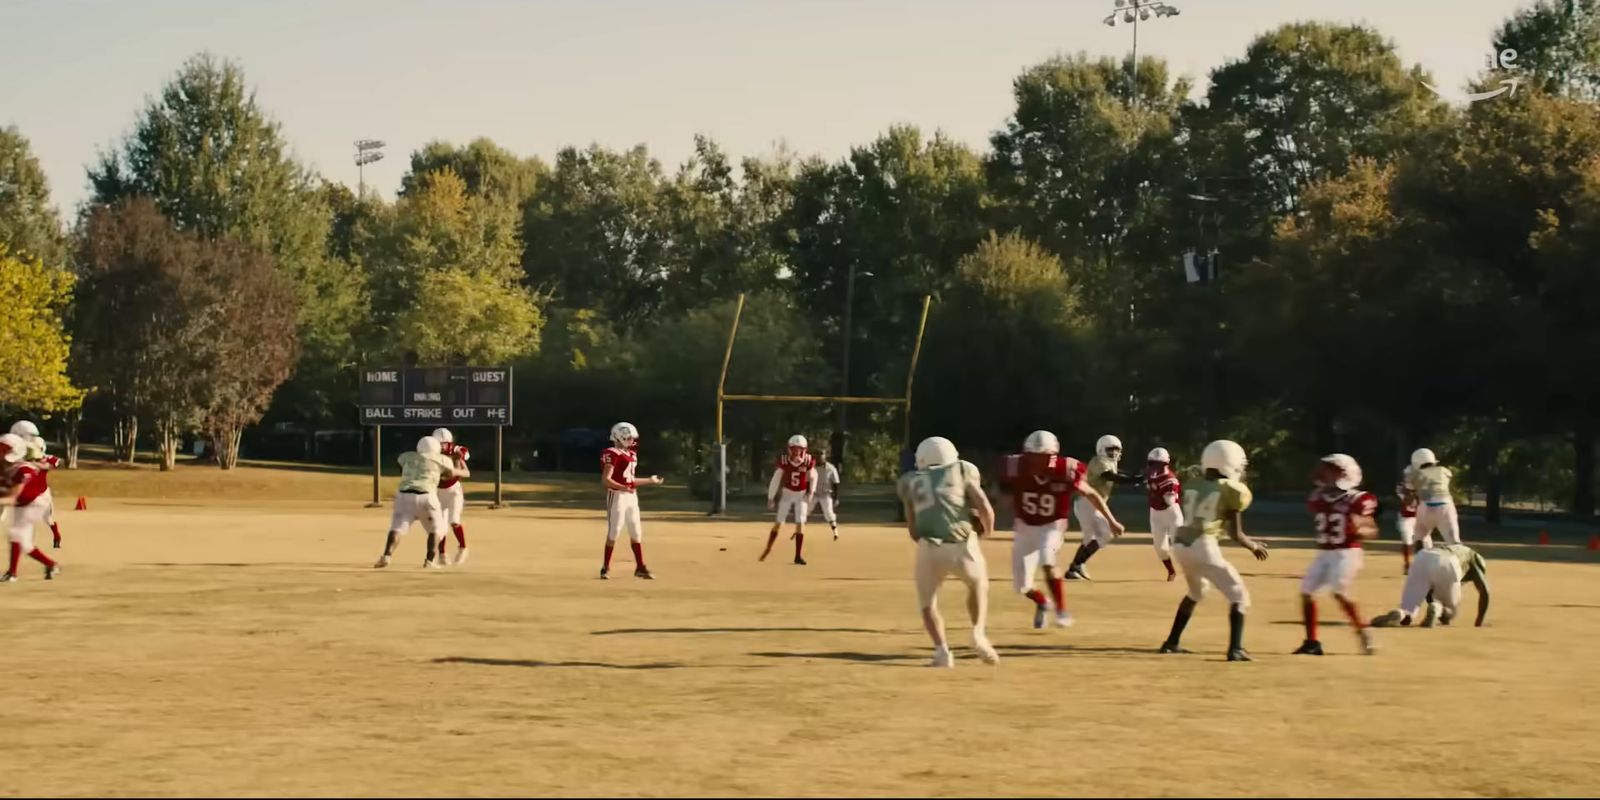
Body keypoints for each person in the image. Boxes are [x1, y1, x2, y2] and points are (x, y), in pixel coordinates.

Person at [1158, 439, 1269, 662]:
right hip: (1203, 545)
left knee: (1196, 591)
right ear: (1232, 463)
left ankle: (1171, 642)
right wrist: (1253, 546)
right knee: (1238, 595)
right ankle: (1235, 649)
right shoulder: (1231, 490)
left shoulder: (1192, 484)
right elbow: (1236, 533)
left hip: (1179, 544)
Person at [1000, 430, 1123, 629]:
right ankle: (1042, 602)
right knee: (1022, 587)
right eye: (1034, 457)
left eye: (1044, 457)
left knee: (1048, 562)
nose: (1039, 461)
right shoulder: (1016, 466)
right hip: (1024, 527)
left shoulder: (1065, 469)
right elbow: (1002, 490)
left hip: (1051, 525)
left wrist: (1111, 521)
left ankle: (1061, 611)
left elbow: (1092, 494)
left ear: (1053, 456)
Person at [898, 436, 999, 668]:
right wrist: (986, 531)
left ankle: (942, 652)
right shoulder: (962, 470)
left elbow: (912, 526)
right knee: (978, 585)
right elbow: (984, 506)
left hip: (929, 546)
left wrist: (925, 540)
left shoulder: (909, 481)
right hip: (963, 543)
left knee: (927, 604)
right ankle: (978, 633)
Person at [1294, 454, 1378, 656]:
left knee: (1339, 592)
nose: (1324, 473)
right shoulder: (1318, 496)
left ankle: (1363, 631)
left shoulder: (1358, 499)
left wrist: (1361, 529)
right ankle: (1312, 642)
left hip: (1347, 552)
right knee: (1307, 592)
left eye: (1329, 469)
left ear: (1344, 473)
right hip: (1324, 553)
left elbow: (1372, 530)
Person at [373, 435, 462, 570]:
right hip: (427, 496)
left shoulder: (407, 456)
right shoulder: (442, 459)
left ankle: (386, 556)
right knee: (436, 530)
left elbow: (400, 466)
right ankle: (429, 561)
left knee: (397, 528)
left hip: (404, 495)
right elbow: (449, 476)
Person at [1065, 434, 1142, 580]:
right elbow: (1110, 476)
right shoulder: (1098, 461)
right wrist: (1134, 479)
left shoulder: (1107, 462)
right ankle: (1076, 565)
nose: (1114, 453)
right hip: (1088, 503)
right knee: (1106, 533)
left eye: (1116, 450)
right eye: (1110, 450)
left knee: (1090, 540)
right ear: (1101, 449)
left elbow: (1116, 474)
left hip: (1088, 504)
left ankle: (1075, 568)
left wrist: (1134, 478)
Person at [1371, 543, 1491, 628]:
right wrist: (1479, 622)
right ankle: (1437, 608)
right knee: (1449, 613)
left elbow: (1429, 587)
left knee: (1408, 610)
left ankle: (1400, 614)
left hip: (1423, 557)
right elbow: (1484, 591)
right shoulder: (1475, 559)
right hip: (1448, 562)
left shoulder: (1458, 549)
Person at [600, 422, 664, 580]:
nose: (631, 440)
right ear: (619, 436)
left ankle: (640, 567)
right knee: (614, 532)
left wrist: (650, 481)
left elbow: (630, 480)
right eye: (628, 437)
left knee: (636, 532)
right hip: (617, 496)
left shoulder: (631, 454)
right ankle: (605, 567)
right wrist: (622, 488)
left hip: (631, 496)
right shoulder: (612, 453)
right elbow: (606, 480)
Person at [0, 433, 56, 582]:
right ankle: (51, 565)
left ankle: (12, 573)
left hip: (35, 503)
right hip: (22, 504)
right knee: (25, 543)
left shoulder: (24, 469)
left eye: (4, 449)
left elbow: (13, 497)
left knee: (15, 533)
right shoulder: (6, 467)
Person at [763, 435, 817, 565]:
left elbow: (813, 477)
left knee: (800, 524)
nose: (796, 452)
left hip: (801, 494)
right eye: (794, 449)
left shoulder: (808, 461)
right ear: (789, 450)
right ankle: (768, 548)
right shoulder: (785, 461)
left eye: (799, 449)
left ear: (804, 450)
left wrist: (811, 492)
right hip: (787, 493)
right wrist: (771, 497)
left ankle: (798, 556)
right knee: (779, 522)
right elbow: (776, 479)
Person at [431, 428, 471, 566]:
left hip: (453, 490)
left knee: (454, 520)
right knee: (440, 526)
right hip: (437, 490)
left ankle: (462, 547)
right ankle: (442, 554)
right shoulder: (429, 451)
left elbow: (465, 453)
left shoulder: (453, 449)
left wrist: (458, 455)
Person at [1407, 448, 1461, 546]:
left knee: (1420, 537)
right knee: (1454, 541)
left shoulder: (1414, 475)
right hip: (1445, 505)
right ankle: (1458, 558)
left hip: (1425, 506)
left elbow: (1410, 493)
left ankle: (1422, 556)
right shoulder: (1444, 471)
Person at [1146, 448, 1183, 581]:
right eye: (1152, 463)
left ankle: (1196, 569)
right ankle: (1171, 571)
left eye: (1158, 464)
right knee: (1160, 548)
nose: (1154, 467)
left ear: (1165, 464)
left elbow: (1170, 502)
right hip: (1155, 512)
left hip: (1171, 512)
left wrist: (1162, 494)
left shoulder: (1170, 479)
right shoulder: (1150, 474)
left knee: (1178, 545)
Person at [810, 450, 842, 540]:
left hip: (825, 493)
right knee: (805, 511)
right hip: (814, 493)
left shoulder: (831, 468)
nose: (819, 458)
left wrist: (836, 498)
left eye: (821, 455)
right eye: (817, 456)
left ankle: (835, 532)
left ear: (825, 456)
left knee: (829, 513)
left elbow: (836, 483)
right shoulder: (811, 467)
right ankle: (798, 531)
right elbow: (807, 481)